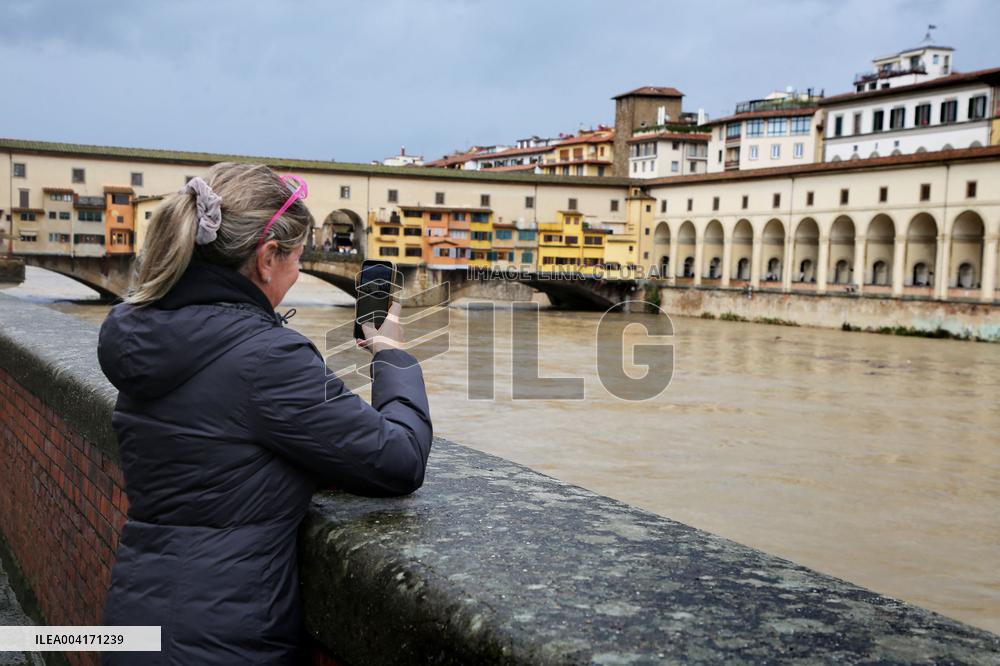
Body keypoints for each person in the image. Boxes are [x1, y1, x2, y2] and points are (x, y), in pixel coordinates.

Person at [96, 162, 432, 665]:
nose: (299, 272)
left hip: (137, 619)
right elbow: (398, 458)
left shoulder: (150, 337)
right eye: (297, 256)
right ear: (268, 257)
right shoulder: (267, 358)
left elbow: (219, 446)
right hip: (222, 641)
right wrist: (392, 354)